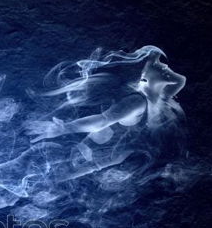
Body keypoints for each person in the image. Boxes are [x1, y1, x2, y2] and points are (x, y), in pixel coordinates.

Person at [25, 45, 186, 159]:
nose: (164, 65)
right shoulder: (136, 101)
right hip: (102, 153)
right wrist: (66, 128)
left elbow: (180, 80)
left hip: (116, 152)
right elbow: (103, 121)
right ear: (143, 72)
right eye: (157, 63)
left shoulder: (158, 97)